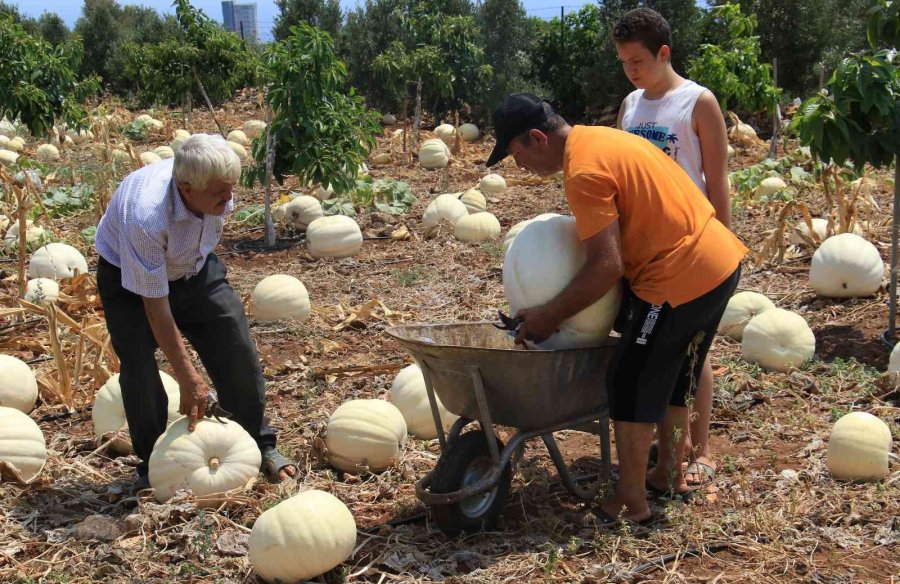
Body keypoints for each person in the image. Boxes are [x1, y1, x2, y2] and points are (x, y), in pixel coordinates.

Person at [486, 94, 746, 524]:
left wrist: (549, 316)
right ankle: (668, 473)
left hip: (679, 274)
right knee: (678, 373)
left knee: (629, 379)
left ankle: (630, 500)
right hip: (718, 262)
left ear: (537, 138)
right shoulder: (602, 140)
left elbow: (606, 266)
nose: (519, 166)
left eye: (516, 154)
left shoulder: (583, 170)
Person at [95, 134, 297, 490]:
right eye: (222, 191)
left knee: (235, 344)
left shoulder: (214, 193)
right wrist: (189, 378)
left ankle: (257, 445)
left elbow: (208, 225)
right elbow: (156, 307)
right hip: (128, 278)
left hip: (193, 267)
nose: (230, 198)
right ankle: (155, 463)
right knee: (139, 367)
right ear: (187, 190)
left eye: (232, 188)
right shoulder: (147, 218)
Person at [613, 7, 731, 487]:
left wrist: (722, 246)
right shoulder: (630, 106)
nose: (631, 70)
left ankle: (701, 449)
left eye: (638, 60)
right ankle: (664, 445)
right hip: (643, 252)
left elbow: (718, 182)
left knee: (692, 352)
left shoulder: (698, 103)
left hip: (691, 248)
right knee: (656, 350)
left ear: (664, 53)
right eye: (623, 62)